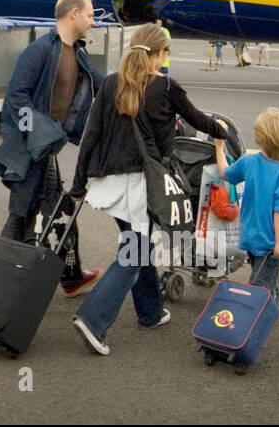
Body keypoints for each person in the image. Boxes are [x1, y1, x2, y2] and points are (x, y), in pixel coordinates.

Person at [67, 23, 231, 355]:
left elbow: (91, 136)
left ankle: (151, 312)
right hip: (142, 184)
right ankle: (93, 319)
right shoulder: (165, 87)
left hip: (108, 183)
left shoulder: (112, 83)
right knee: (135, 253)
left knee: (135, 244)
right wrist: (221, 130)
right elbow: (198, 119)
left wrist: (79, 182)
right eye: (164, 52)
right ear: (157, 54)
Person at [0, 0, 103, 298]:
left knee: (59, 212)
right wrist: (38, 134)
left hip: (48, 148)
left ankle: (71, 278)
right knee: (21, 216)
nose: (94, 21)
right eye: (91, 14)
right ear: (74, 14)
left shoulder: (77, 53)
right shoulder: (40, 50)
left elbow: (105, 85)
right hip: (30, 150)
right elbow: (17, 100)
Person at [212, 107, 279, 295]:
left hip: (257, 239)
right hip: (269, 241)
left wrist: (219, 147)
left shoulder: (249, 162)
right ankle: (270, 305)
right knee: (264, 282)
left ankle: (262, 312)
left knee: (259, 285)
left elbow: (226, 173)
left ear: (261, 138)